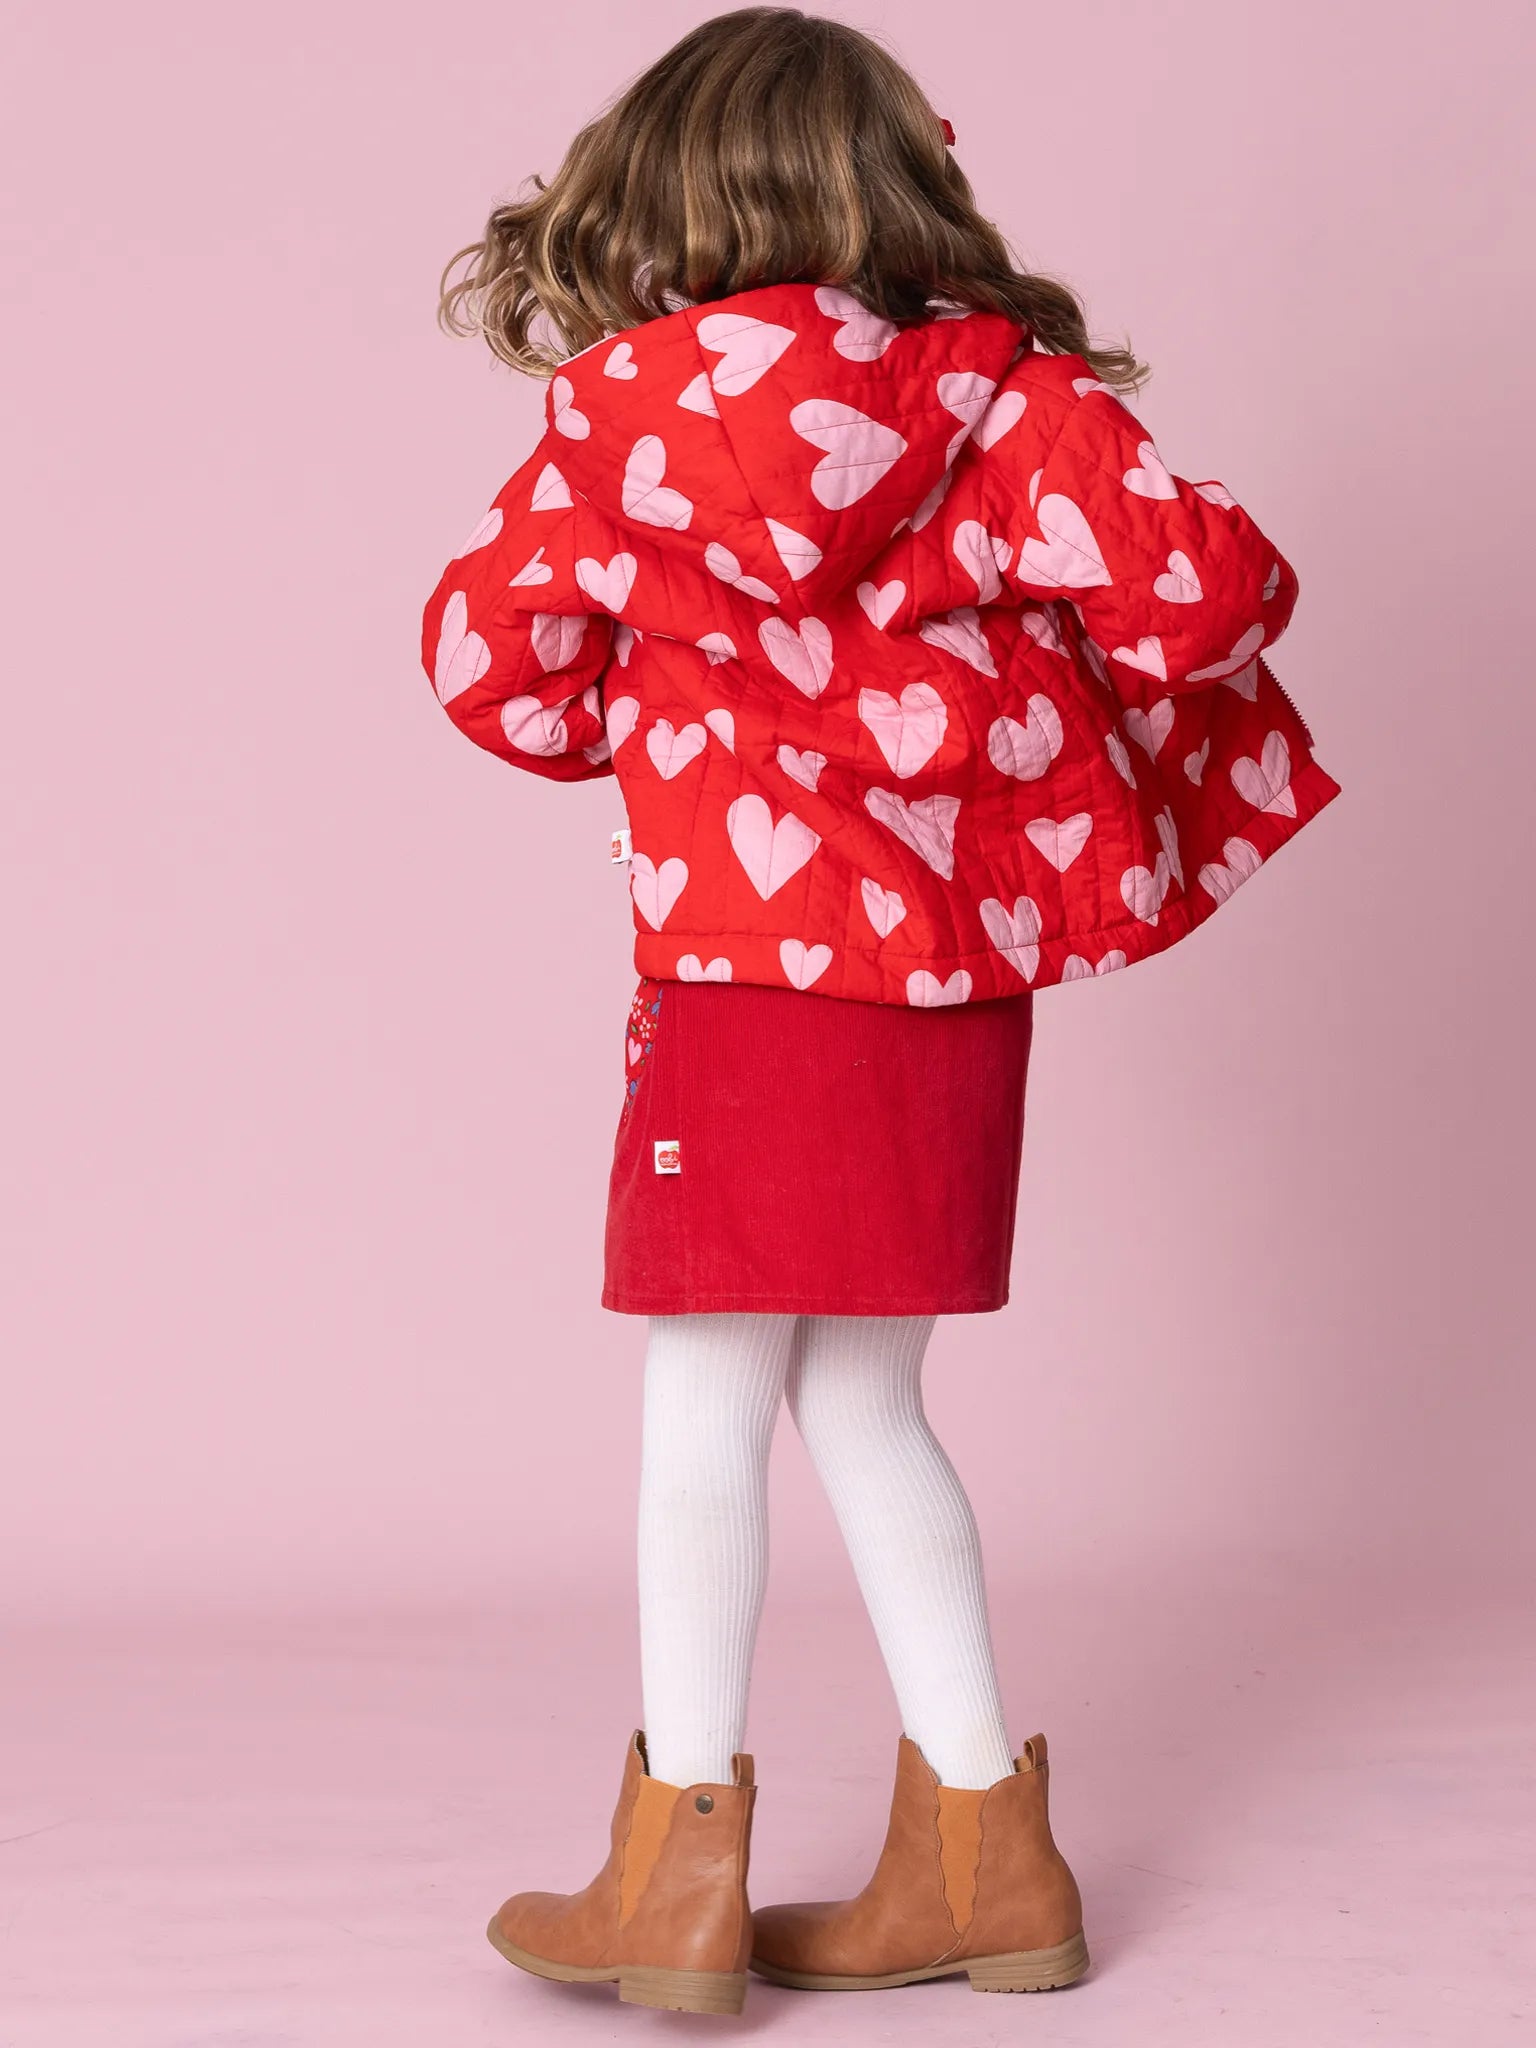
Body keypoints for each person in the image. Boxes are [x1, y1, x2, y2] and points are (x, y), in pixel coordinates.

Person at [421, 6, 1339, 2018]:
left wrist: (657, 707)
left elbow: (489, 672)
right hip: (943, 992)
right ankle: (983, 1861)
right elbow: (1207, 596)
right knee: (863, 1397)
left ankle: (675, 1868)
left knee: (702, 1405)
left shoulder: (625, 418)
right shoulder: (1001, 402)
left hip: (746, 983)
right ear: (902, 180)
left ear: (661, 188)